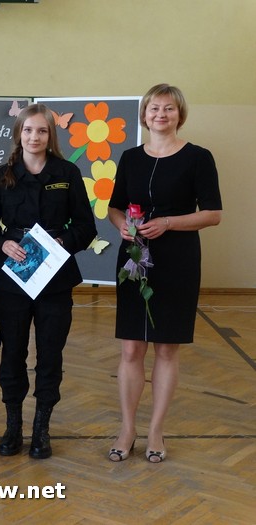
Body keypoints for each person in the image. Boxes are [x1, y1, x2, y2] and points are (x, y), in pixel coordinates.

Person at [107, 84, 222, 463]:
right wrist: (122, 226)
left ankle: (156, 430)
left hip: (178, 260)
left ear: (179, 115)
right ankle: (127, 428)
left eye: (169, 108)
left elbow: (213, 214)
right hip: (134, 258)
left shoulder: (198, 157)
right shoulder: (130, 157)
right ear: (144, 115)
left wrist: (169, 222)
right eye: (154, 108)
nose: (161, 114)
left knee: (167, 348)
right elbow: (115, 207)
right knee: (130, 348)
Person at [0, 103, 96, 459]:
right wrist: (3, 244)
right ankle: (13, 427)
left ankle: (42, 430)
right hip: (13, 277)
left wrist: (63, 242)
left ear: (50, 135)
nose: (34, 136)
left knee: (50, 353)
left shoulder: (67, 173)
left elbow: (86, 227)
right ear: (19, 134)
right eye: (28, 130)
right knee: (12, 352)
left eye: (42, 130)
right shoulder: (3, 175)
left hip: (55, 276)